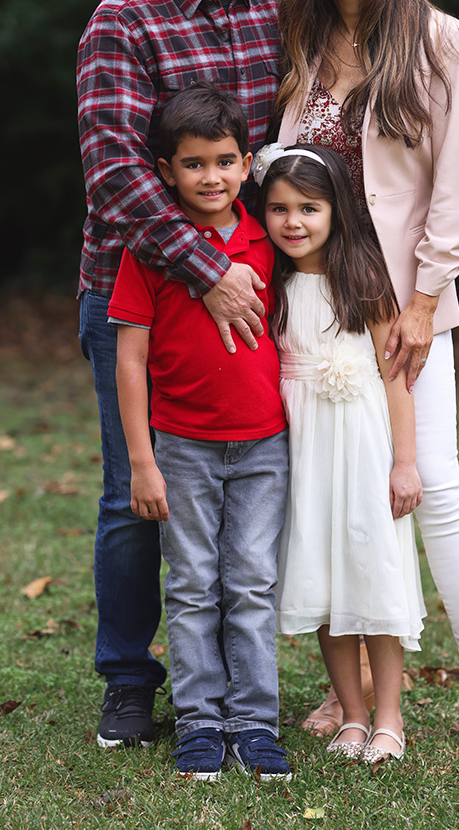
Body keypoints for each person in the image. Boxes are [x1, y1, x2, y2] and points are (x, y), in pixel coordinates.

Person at [272, 0, 459, 759]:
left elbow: (455, 190)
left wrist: (422, 302)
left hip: (407, 305)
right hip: (321, 306)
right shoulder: (300, 43)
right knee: (333, 489)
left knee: (435, 486)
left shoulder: (440, 41)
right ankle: (360, 694)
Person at [76, 0, 279, 748]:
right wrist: (206, 273)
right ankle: (128, 678)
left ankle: (242, 687)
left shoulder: (272, 12)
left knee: (242, 490)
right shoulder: (123, 20)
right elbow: (116, 174)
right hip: (140, 294)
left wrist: (259, 270)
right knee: (138, 491)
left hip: (249, 292)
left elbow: (278, 161)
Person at [107, 84, 291, 781]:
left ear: (247, 162)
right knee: (190, 585)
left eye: (224, 161)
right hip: (181, 447)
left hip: (265, 445)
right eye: (193, 164)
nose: (211, 177)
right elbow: (130, 360)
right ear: (165, 170)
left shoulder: (267, 238)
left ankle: (254, 723)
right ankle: (200, 723)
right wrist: (141, 462)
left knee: (250, 583)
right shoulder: (151, 250)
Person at [254, 142, 425, 764]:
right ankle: (350, 713)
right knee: (323, 575)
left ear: (336, 211)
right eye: (278, 209)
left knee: (371, 570)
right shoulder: (269, 282)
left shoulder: (365, 279)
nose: (292, 222)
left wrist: (404, 463)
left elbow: (396, 379)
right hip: (302, 445)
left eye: (309, 208)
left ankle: (388, 718)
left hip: (362, 444)